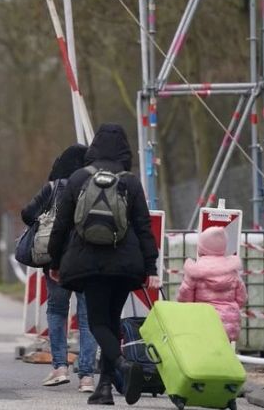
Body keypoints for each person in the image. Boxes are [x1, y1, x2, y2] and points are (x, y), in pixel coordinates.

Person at [47, 123, 160, 406]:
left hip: (89, 262)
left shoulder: (77, 178)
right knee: (111, 321)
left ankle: (122, 365)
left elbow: (61, 225)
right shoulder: (130, 181)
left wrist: (55, 259)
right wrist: (151, 267)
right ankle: (105, 388)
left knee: (98, 323)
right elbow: (144, 227)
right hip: (125, 265)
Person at [21, 144, 97, 393]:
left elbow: (27, 213)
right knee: (87, 318)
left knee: (56, 311)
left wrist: (42, 222)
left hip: (57, 262)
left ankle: (60, 368)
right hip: (87, 260)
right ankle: (87, 376)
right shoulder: (95, 187)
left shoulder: (53, 188)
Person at [176, 226, 248, 344]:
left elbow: (185, 298)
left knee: (204, 353)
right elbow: (242, 298)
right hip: (228, 323)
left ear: (202, 247)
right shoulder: (232, 271)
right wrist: (230, 309)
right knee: (223, 352)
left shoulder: (195, 271)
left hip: (202, 321)